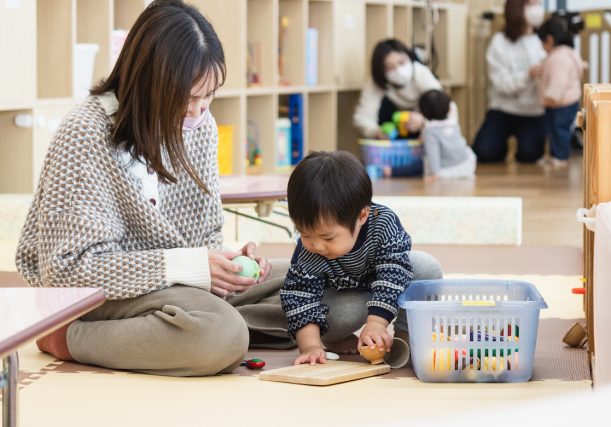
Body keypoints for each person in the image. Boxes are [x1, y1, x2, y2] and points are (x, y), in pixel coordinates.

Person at [15, 0, 288, 377]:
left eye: (208, 96)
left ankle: (174, 333)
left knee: (325, 282)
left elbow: (204, 235)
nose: (199, 111)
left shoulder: (200, 126)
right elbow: (66, 271)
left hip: (178, 291)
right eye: (189, 98)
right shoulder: (85, 134)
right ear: (149, 83)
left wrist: (226, 264)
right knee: (220, 334)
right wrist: (191, 266)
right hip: (100, 296)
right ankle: (69, 338)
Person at [280, 151, 442, 365]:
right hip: (341, 303)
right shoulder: (309, 250)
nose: (317, 245)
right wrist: (311, 346)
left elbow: (393, 274)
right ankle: (334, 338)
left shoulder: (382, 224)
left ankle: (405, 334)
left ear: (362, 216)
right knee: (343, 312)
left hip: (381, 290)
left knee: (425, 267)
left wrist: (376, 323)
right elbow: (300, 295)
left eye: (327, 237)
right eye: (305, 234)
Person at [472, 0, 547, 163]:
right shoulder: (499, 42)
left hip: (533, 111)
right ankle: (499, 146)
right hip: (503, 109)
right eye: (531, 5)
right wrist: (528, 76)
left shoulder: (543, 41)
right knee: (483, 152)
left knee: (530, 155)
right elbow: (501, 85)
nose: (537, 9)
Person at [353, 38, 442, 139]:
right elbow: (363, 116)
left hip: (425, 127)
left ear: (408, 56)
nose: (398, 70)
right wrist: (377, 132)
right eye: (390, 67)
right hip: (393, 129)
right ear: (381, 72)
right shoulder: (378, 81)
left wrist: (424, 119)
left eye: (401, 62)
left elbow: (445, 107)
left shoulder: (421, 73)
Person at [537, 16, 585, 167]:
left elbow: (558, 81)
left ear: (549, 40)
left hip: (560, 102)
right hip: (561, 102)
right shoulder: (564, 54)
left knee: (559, 130)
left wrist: (552, 96)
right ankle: (555, 155)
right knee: (555, 130)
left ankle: (561, 156)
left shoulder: (559, 57)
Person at [419, 90, 476, 181]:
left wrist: (435, 173)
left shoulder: (429, 131)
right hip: (468, 164)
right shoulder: (453, 122)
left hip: (447, 171)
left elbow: (432, 155)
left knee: (425, 158)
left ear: (423, 112)